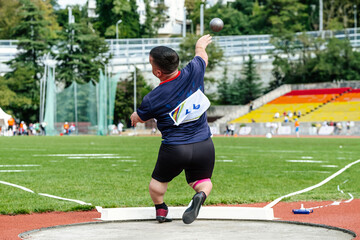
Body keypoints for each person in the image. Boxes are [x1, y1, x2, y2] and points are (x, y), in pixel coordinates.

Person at [130, 34, 215, 225]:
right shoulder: (194, 71)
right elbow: (202, 56)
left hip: (175, 148)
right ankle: (200, 195)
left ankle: (161, 210)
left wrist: (134, 117)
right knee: (202, 181)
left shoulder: (153, 98)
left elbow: (141, 117)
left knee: (157, 185)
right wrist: (200, 45)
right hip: (204, 145)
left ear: (158, 72)